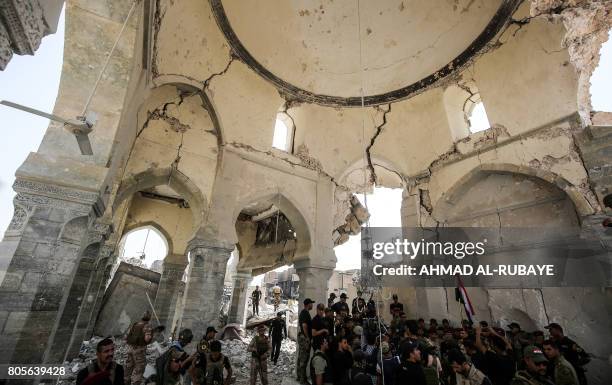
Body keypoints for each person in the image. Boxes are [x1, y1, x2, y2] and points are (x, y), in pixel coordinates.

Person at [125, 311, 153, 385]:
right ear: (149, 317)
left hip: (130, 348)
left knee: (128, 368)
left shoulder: (135, 324)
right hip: (139, 351)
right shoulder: (147, 326)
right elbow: (147, 339)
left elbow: (127, 336)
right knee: (138, 370)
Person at [297, 298, 314, 384]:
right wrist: (307, 338)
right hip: (304, 338)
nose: (312, 305)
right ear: (308, 304)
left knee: (301, 357)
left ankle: (299, 376)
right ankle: (302, 380)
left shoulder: (305, 313)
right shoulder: (305, 313)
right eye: (311, 303)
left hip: (303, 337)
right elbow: (304, 326)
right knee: (304, 358)